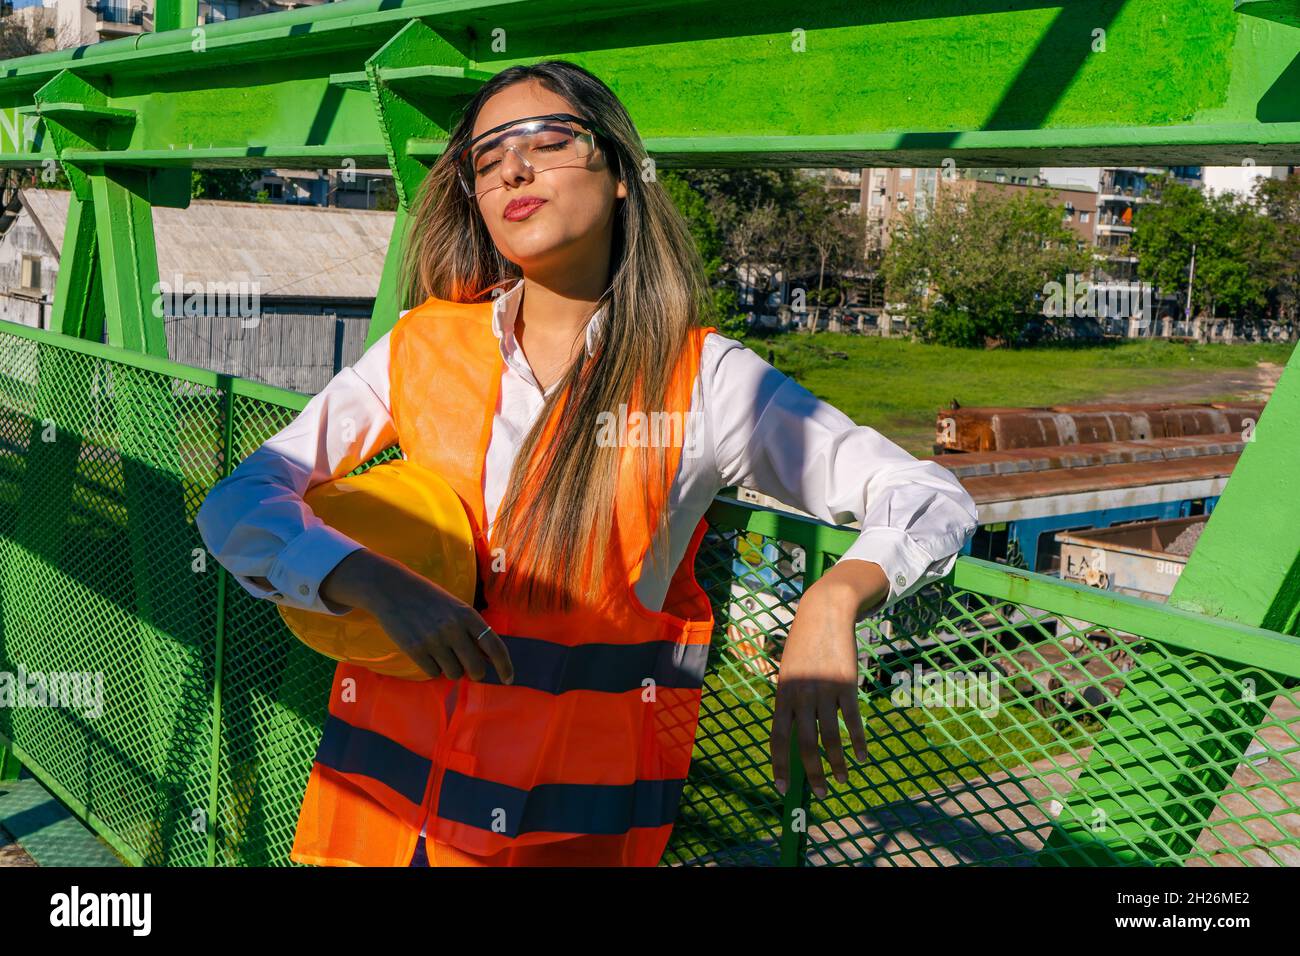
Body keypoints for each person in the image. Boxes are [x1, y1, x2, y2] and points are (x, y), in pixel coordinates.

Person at [195, 60, 978, 867]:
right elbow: (239, 501)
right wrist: (364, 576)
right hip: (379, 826)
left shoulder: (701, 381)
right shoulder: (423, 348)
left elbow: (927, 496)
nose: (514, 168)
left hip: (560, 840)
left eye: (548, 138)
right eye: (487, 156)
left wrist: (833, 599)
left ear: (621, 176)